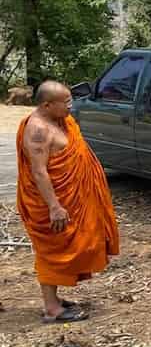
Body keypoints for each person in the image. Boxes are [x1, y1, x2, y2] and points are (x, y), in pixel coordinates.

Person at [16, 81, 120, 323]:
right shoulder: (38, 130)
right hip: (51, 202)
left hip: (73, 199)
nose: (71, 106)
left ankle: (55, 301)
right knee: (52, 251)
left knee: (69, 246)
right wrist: (54, 206)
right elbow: (39, 172)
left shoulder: (61, 121)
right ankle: (52, 308)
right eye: (66, 102)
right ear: (47, 105)